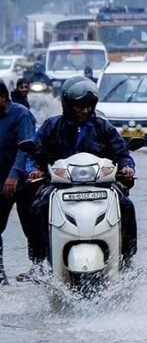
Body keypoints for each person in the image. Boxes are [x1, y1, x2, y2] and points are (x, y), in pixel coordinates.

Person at [23, 76, 138, 275]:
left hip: (101, 186)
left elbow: (123, 154)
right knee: (36, 210)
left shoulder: (103, 127)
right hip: (59, 187)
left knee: (126, 207)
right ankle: (38, 263)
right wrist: (34, 169)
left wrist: (127, 168)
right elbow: (33, 153)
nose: (84, 111)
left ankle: (127, 260)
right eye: (79, 106)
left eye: (88, 106)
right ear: (67, 104)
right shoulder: (51, 126)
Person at [0, 84, 37, 285]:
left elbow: (25, 148)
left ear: (3, 98)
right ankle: (0, 275)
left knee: (32, 228)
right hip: (1, 181)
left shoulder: (21, 114)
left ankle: (39, 270)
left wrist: (14, 175)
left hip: (23, 182)